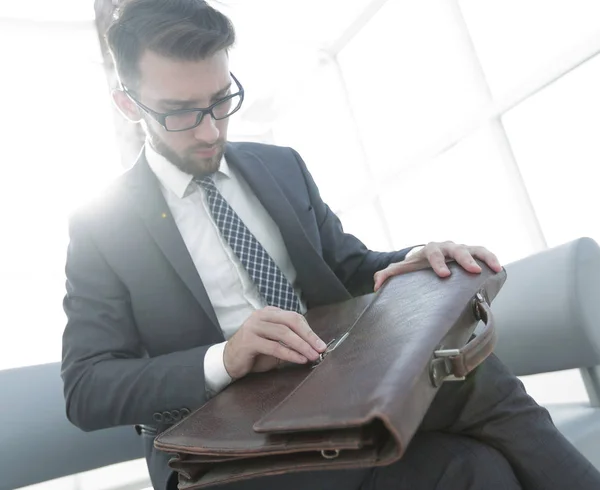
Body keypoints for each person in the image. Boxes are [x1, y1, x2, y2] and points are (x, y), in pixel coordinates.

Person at [61, 1, 600, 489]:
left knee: (484, 390)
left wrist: (411, 262)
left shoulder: (281, 167)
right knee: (470, 470)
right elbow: (85, 387)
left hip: (336, 387)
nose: (208, 132)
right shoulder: (102, 225)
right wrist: (224, 358)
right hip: (220, 438)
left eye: (221, 100)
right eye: (179, 112)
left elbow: (347, 267)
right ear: (128, 104)